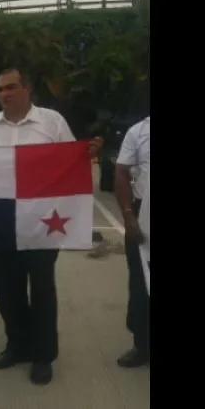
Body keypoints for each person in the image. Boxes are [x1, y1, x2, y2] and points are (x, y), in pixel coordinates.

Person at [0, 68, 103, 385]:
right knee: (7, 290)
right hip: (2, 224)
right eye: (0, 89)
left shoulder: (51, 121)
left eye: (11, 87)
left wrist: (86, 153)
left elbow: (71, 158)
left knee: (43, 291)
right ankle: (16, 346)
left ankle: (43, 356)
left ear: (27, 89)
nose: (5, 93)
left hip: (43, 223)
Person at [113, 114, 150, 368]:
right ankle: (142, 345)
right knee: (141, 283)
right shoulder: (138, 131)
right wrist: (128, 216)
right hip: (144, 215)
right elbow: (122, 173)